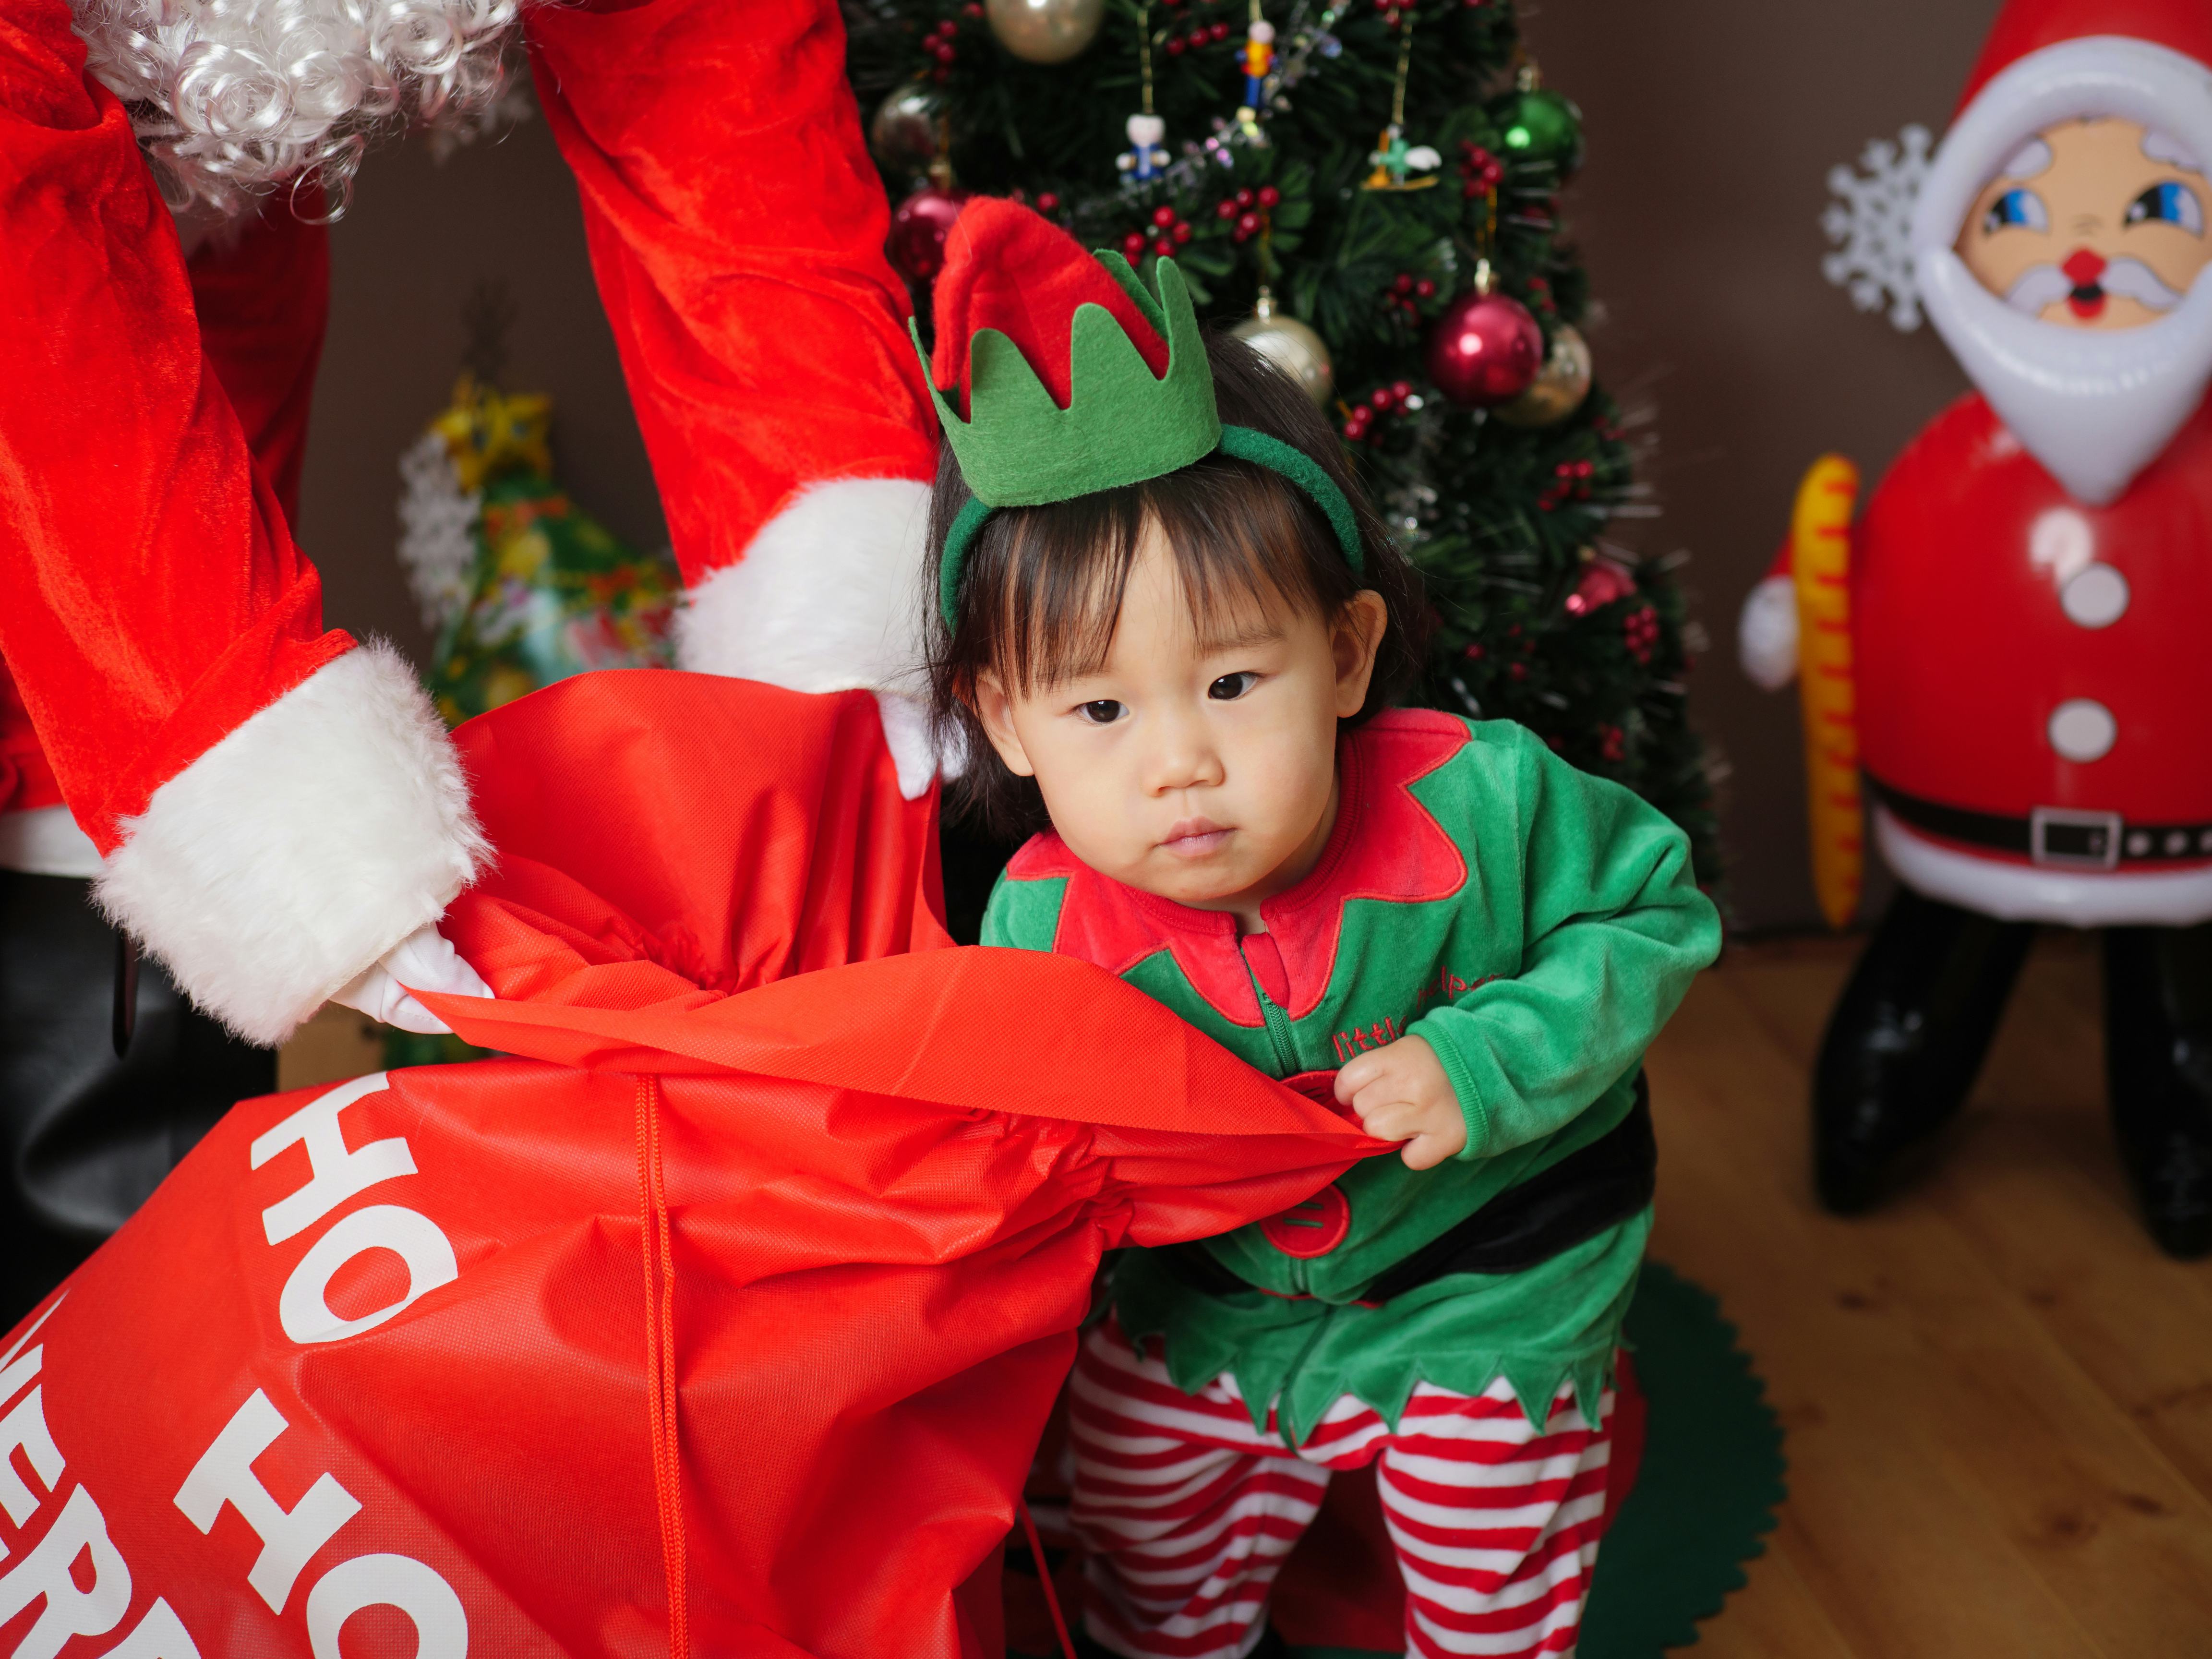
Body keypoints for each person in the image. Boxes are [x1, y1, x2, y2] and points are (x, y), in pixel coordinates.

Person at [924, 200, 1720, 1659]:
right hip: (1212, 1299)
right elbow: (1013, 1129)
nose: (1180, 764)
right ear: (1007, 722)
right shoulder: (1039, 914)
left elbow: (1654, 913)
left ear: (1345, 655)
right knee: (1142, 1525)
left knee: (1495, 1556)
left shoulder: (1482, 800)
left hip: (1485, 1274)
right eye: (1100, 710)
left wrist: (1486, 1060)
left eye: (1233, 684)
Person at [1740, 0, 2212, 1254]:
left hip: (2185, 824)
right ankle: (1881, 1105)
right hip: (1970, 800)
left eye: (2158, 211)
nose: (2084, 258)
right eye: (2027, 213)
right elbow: (1861, 538)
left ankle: (2184, 1138)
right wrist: (1800, 593)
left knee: (2182, 995)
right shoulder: (1956, 455)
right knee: (1938, 958)